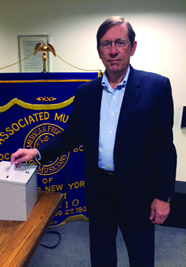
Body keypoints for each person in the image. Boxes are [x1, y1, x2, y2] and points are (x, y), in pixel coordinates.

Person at [11, 16, 177, 267]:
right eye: (105, 44)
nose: (113, 51)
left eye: (119, 43)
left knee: (142, 257)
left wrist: (163, 196)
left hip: (138, 193)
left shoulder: (157, 87)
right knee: (101, 257)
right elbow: (71, 136)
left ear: (132, 47)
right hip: (100, 191)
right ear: (99, 50)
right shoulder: (86, 93)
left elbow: (164, 148)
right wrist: (37, 151)